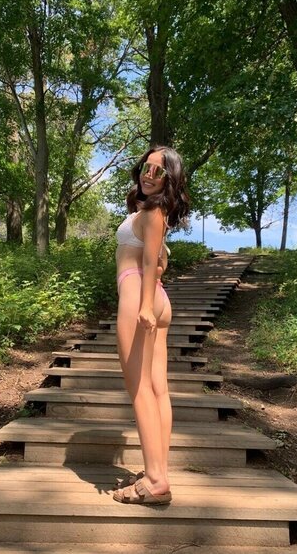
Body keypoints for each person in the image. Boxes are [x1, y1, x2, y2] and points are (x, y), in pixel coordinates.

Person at [112, 146, 190, 505]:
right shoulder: (154, 213)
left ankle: (155, 479)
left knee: (140, 388)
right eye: (147, 166)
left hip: (138, 294)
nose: (149, 174)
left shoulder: (154, 212)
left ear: (169, 180)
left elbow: (147, 264)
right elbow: (159, 263)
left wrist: (144, 306)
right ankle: (159, 472)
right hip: (156, 297)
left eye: (159, 171)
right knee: (158, 389)